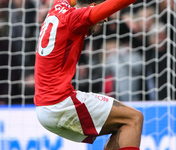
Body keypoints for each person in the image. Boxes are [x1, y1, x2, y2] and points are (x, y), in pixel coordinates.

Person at [34, 0, 143, 150]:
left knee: (121, 125)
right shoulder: (75, 18)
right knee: (134, 119)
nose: (102, 21)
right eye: (101, 20)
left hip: (44, 107)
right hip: (60, 103)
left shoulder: (57, 8)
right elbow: (117, 4)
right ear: (92, 6)